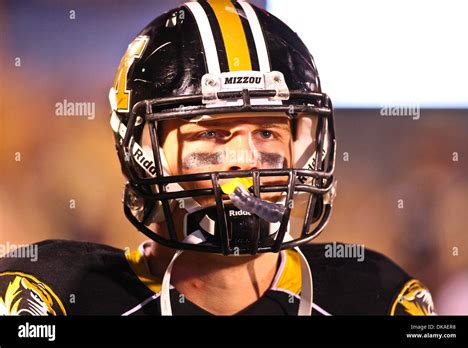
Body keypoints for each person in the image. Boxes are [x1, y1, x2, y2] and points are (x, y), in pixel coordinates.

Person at [0, 0, 435, 316]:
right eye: (212, 132)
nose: (245, 159)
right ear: (142, 152)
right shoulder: (53, 296)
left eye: (266, 130)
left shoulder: (379, 297)